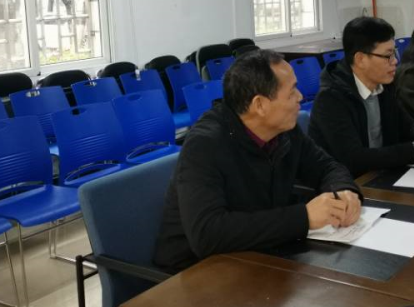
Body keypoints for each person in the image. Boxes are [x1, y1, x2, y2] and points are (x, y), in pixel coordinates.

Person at [153, 50, 362, 274]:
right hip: (195, 273)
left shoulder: (284, 131)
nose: (300, 97)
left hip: (257, 254)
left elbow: (327, 166)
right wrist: (305, 217)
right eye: (292, 91)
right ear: (260, 105)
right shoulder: (205, 145)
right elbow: (207, 234)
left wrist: (344, 190)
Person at [309, 17, 414, 178]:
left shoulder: (384, 85)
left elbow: (408, 126)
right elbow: (353, 159)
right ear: (361, 59)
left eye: (394, 53)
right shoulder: (331, 98)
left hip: (382, 173)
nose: (395, 61)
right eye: (388, 56)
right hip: (348, 183)